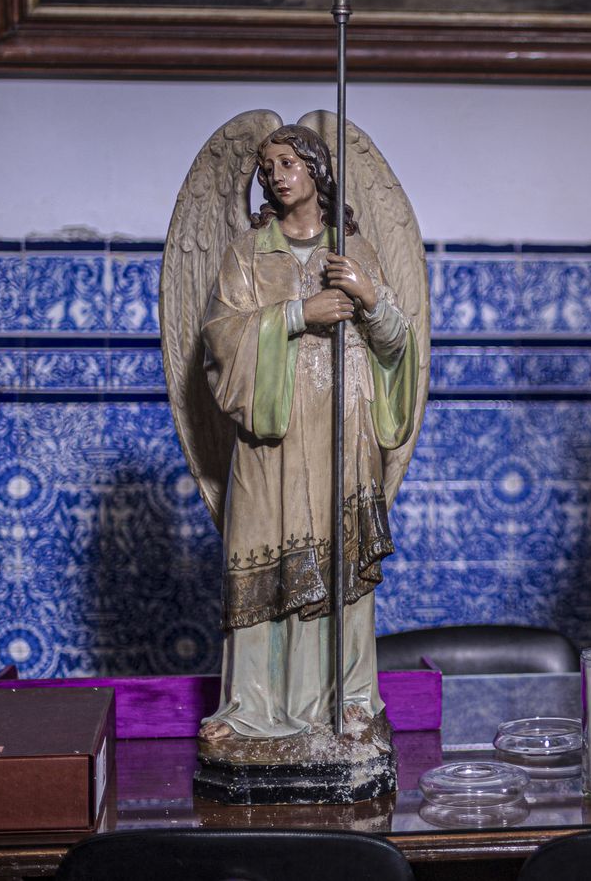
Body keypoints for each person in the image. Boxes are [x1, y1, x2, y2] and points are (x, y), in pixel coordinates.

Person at [197, 124, 417, 741]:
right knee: (260, 560)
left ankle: (347, 700)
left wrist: (369, 297)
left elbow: (398, 345)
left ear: (316, 170)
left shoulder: (354, 251)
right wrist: (299, 314)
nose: (276, 174)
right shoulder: (247, 254)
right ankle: (249, 709)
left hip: (343, 436)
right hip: (271, 438)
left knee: (340, 562)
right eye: (267, 166)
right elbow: (220, 338)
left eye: (289, 162)